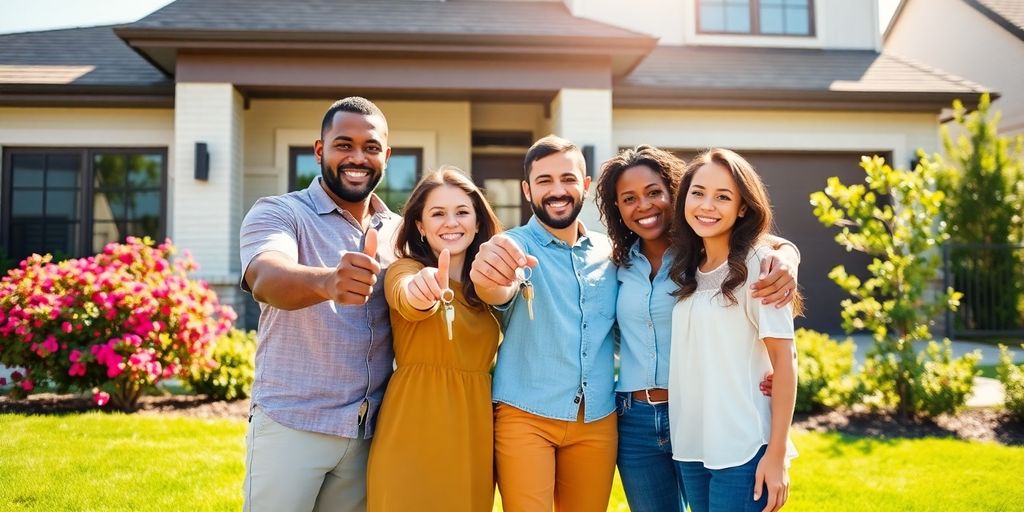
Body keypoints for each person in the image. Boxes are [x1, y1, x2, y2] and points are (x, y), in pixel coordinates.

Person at [593, 145, 800, 512]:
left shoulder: (717, 257)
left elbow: (759, 249)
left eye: (654, 192)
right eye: (629, 198)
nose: (643, 205)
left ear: (674, 194)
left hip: (711, 418)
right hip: (641, 417)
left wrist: (787, 255)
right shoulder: (618, 265)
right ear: (617, 208)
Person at [239, 96, 398, 512]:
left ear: (386, 155)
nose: (357, 157)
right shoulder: (280, 213)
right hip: (293, 424)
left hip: (368, 434)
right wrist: (328, 281)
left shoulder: (399, 232)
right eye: (344, 144)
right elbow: (265, 276)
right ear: (319, 150)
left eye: (371, 147)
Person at [469, 135, 616, 512]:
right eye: (544, 181)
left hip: (597, 418)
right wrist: (492, 278)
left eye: (568, 179)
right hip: (525, 416)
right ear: (527, 190)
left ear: (585, 185)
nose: (557, 190)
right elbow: (494, 289)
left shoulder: (610, 252)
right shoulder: (510, 247)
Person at [667, 148, 800, 512]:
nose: (707, 205)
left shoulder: (761, 264)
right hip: (692, 446)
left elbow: (785, 362)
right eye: (698, 192)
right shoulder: (686, 267)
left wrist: (776, 457)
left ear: (742, 208)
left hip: (743, 449)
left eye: (723, 197)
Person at [366, 167, 503, 511]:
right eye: (437, 213)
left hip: (473, 433)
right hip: (413, 427)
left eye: (461, 212)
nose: (451, 223)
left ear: (476, 222)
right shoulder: (406, 269)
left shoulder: (490, 290)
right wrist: (423, 289)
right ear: (420, 226)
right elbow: (407, 296)